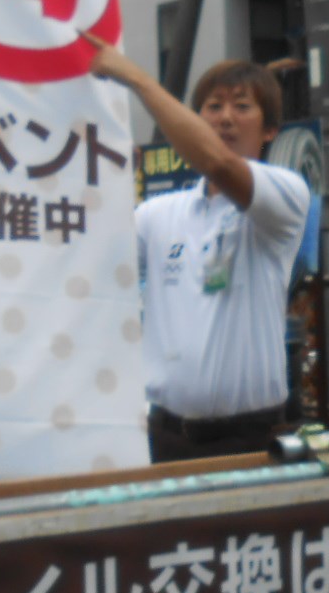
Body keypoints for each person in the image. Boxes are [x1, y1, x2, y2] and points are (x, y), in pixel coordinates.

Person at [83, 36, 313, 464]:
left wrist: (137, 79)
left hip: (247, 437)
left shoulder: (286, 194)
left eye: (242, 106)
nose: (225, 118)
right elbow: (93, 259)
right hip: (162, 434)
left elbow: (218, 164)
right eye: (213, 106)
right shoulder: (157, 214)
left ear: (270, 130)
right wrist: (102, 177)